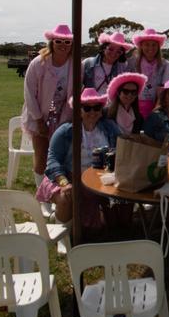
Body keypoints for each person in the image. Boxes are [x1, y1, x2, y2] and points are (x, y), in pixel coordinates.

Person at [36, 88, 120, 225]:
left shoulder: (109, 128)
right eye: (87, 108)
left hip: (97, 180)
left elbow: (120, 149)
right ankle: (62, 235)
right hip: (65, 177)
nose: (92, 112)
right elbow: (52, 160)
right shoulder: (66, 131)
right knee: (66, 197)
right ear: (79, 110)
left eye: (97, 108)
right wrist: (64, 183)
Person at [21, 24, 73, 208]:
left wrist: (65, 121)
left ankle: (56, 194)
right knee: (41, 156)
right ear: (52, 42)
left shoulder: (74, 64)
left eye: (67, 41)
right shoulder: (39, 62)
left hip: (62, 117)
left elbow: (72, 95)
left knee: (58, 158)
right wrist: (38, 119)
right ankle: (43, 200)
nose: (63, 45)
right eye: (59, 41)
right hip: (40, 117)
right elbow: (29, 92)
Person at [127, 27, 167, 119]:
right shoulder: (132, 63)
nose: (150, 48)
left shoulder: (164, 65)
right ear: (141, 46)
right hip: (134, 108)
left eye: (154, 45)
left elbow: (163, 87)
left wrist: (158, 106)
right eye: (147, 44)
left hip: (156, 108)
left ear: (158, 47)